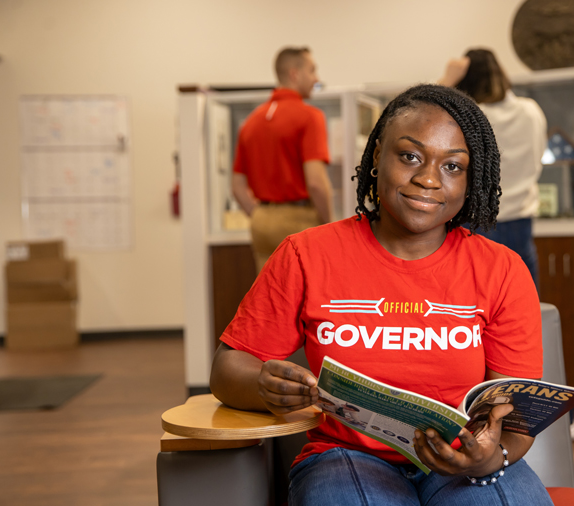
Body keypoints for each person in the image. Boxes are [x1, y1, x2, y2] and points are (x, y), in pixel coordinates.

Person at [211, 84, 554, 506]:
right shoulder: (307, 255)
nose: (428, 178)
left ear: (472, 177)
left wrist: (489, 458)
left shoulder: (501, 269)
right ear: (376, 157)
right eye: (409, 156)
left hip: (462, 462)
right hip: (346, 457)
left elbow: (515, 418)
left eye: (452, 166)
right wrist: (262, 385)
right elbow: (228, 368)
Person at [439, 49, 547, 289]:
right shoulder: (531, 111)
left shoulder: (471, 116)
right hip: (521, 223)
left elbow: (422, 118)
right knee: (522, 308)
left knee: (473, 311)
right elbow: (539, 155)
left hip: (476, 223)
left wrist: (446, 81)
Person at [231, 46, 334, 273]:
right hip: (299, 221)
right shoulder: (310, 117)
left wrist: (259, 214)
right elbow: (316, 183)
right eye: (312, 70)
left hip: (262, 220)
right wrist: (328, 224)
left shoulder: (251, 122)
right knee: (307, 297)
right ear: (294, 74)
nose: (316, 78)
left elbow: (237, 186)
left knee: (270, 298)